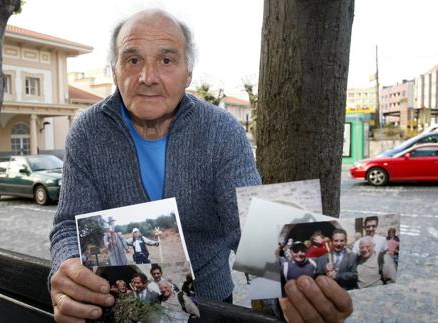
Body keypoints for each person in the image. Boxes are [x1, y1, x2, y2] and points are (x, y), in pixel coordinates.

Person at [49, 9, 352, 323]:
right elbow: (69, 225)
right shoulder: (86, 132)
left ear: (188, 73)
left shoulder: (222, 131)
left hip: (209, 306)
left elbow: (249, 228)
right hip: (122, 303)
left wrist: (293, 293)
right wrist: (68, 266)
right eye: (133, 59)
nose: (148, 77)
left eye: (166, 60)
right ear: (115, 71)